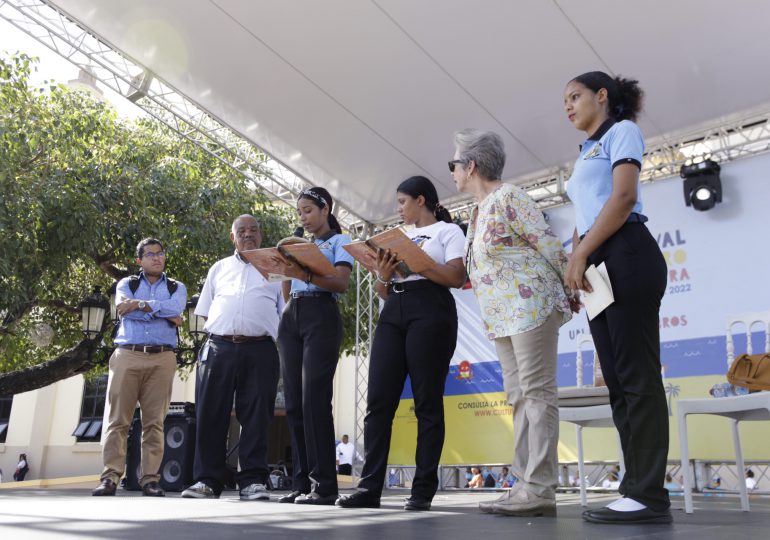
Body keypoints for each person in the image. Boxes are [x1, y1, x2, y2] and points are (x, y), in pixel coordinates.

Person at [562, 71, 671, 525]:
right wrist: (575, 265)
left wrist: (581, 253)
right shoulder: (584, 151)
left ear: (602, 96)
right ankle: (635, 487)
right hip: (596, 259)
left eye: (575, 96)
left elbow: (623, 198)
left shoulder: (622, 131)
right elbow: (586, 214)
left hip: (626, 251)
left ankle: (648, 493)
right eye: (564, 100)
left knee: (637, 376)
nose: (567, 106)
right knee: (619, 382)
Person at [453, 129, 575, 518]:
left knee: (537, 394)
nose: (452, 172)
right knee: (520, 397)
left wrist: (572, 289)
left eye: (454, 164)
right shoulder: (477, 210)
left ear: (471, 166)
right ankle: (524, 484)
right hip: (503, 316)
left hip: (531, 307)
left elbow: (549, 244)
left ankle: (539, 488)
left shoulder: (510, 197)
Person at [336, 176, 465, 511]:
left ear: (421, 200)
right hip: (394, 309)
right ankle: (369, 488)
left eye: (402, 202)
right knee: (378, 402)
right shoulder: (399, 236)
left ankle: (422, 490)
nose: (399, 209)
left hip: (431, 308)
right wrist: (383, 273)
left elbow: (455, 277)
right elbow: (383, 290)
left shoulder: (448, 232)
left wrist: (418, 261)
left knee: (427, 402)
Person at [181, 215, 283, 501]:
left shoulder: (276, 267)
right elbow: (205, 309)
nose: (248, 234)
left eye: (253, 230)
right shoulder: (218, 268)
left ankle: (252, 481)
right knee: (211, 414)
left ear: (261, 235)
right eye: (242, 231)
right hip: (219, 347)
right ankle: (207, 481)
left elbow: (284, 311)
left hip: (261, 349)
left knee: (257, 417)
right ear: (232, 237)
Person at [276, 187, 353, 505]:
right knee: (293, 403)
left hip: (322, 313)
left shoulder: (340, 241)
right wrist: (288, 273)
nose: (303, 217)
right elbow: (285, 284)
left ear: (325, 209)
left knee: (314, 401)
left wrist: (304, 273)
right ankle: (301, 482)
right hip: (292, 314)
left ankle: (324, 485)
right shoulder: (299, 244)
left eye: (308, 210)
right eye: (299, 212)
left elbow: (341, 282)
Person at [92, 239, 187, 497]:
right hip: (127, 354)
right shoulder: (126, 284)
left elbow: (176, 309)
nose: (157, 258)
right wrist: (162, 313)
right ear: (139, 260)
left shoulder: (177, 287)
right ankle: (110, 477)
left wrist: (141, 304)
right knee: (117, 420)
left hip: (162, 358)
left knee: (154, 423)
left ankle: (150, 480)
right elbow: (125, 310)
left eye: (160, 253)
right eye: (150, 254)